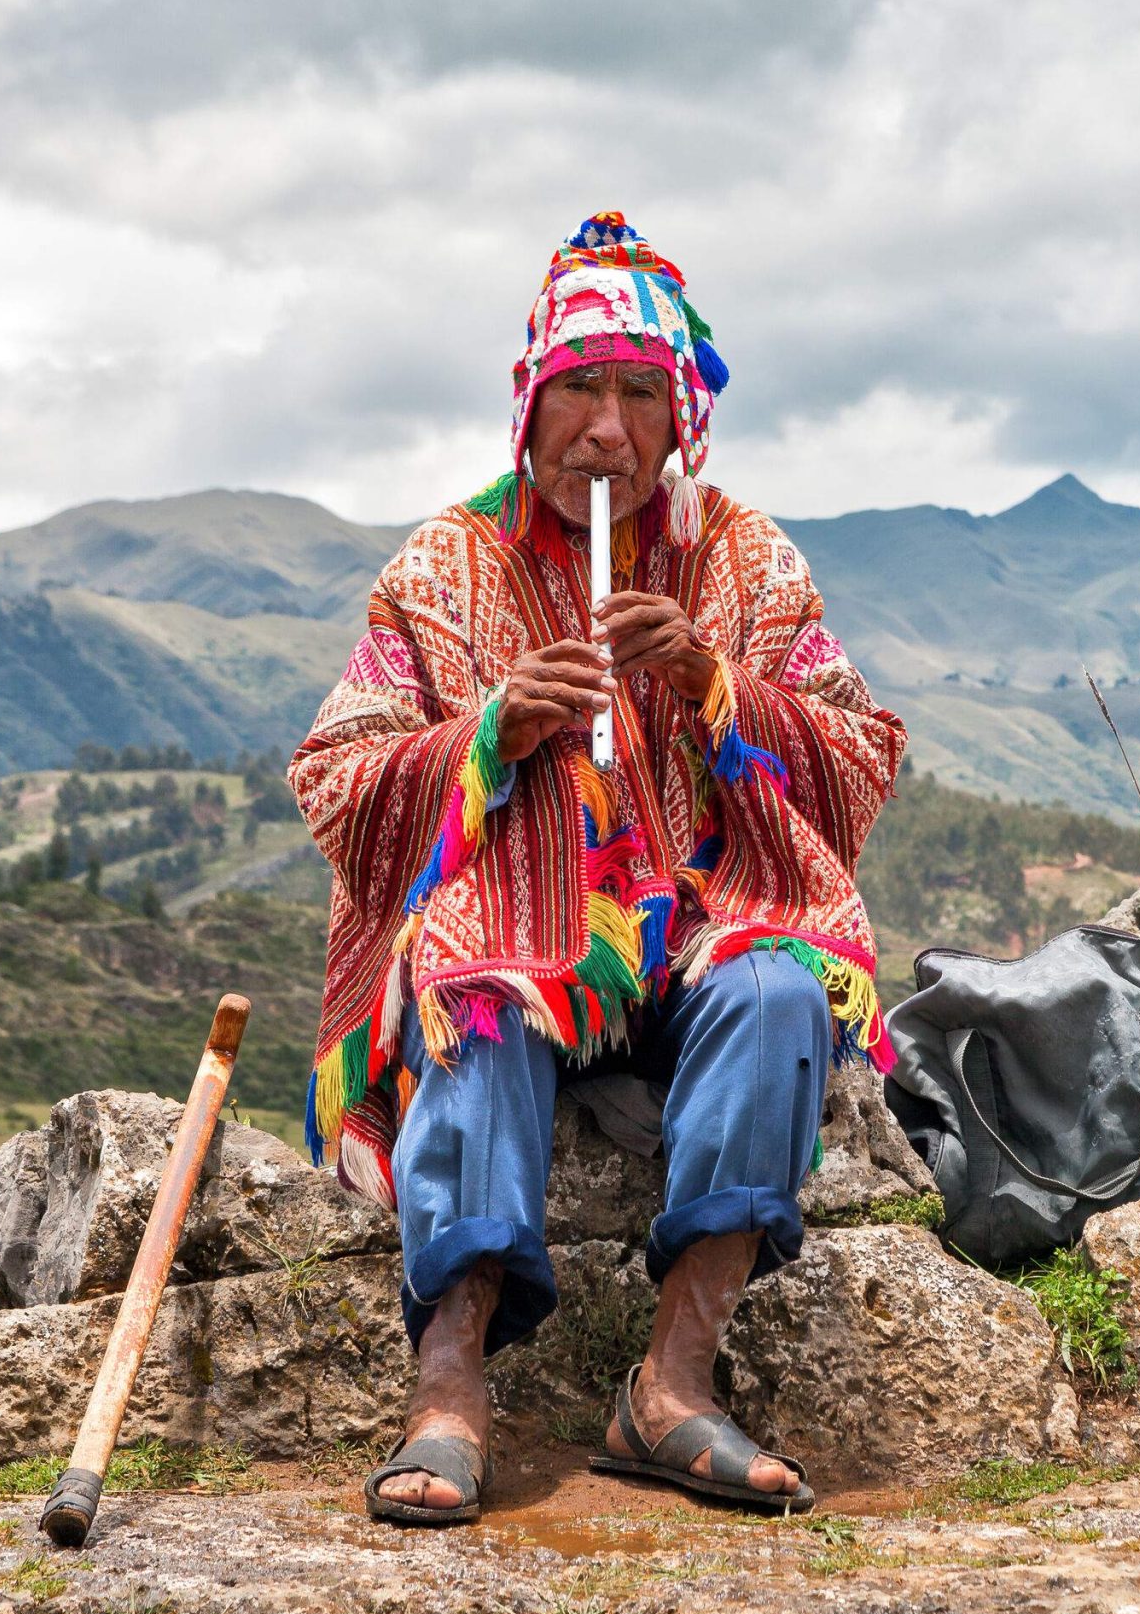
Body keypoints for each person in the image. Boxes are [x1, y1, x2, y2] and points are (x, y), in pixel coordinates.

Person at [288, 211, 904, 1522]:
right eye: (581, 390)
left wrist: (713, 683)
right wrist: (491, 733)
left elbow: (857, 756)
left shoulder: (743, 560)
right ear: (530, 402)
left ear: (684, 417)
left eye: (640, 394)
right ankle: (449, 1380)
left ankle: (673, 1380)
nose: (609, 429)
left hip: (693, 934)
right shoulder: (447, 568)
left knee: (784, 991)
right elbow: (338, 777)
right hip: (517, 931)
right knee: (476, 988)